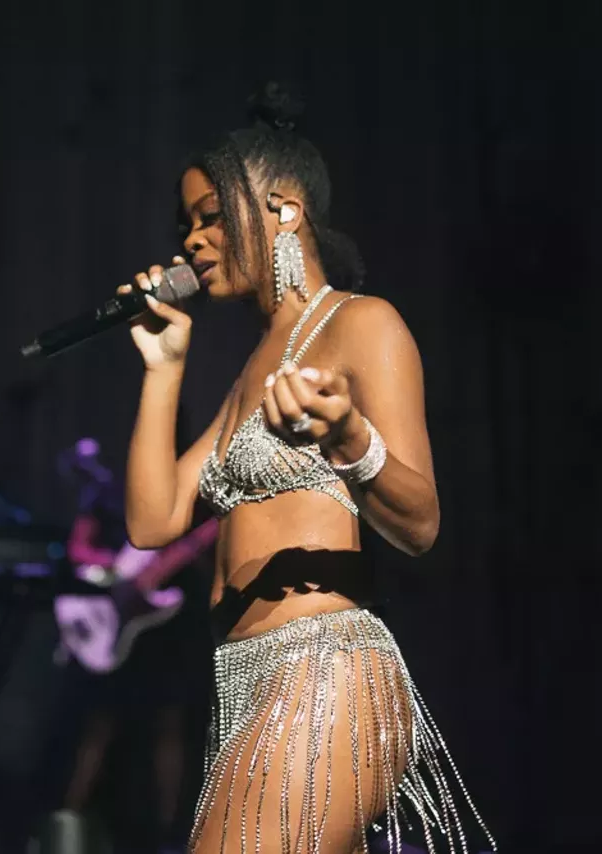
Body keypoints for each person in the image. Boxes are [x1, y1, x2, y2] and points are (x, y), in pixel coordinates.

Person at [116, 83, 495, 854]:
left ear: (284, 211)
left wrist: (350, 434)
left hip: (324, 669)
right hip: (246, 684)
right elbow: (153, 520)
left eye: (211, 216)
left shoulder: (363, 323)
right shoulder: (246, 374)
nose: (191, 241)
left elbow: (420, 523)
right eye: (186, 224)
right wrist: (164, 368)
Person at [52, 436, 217, 853]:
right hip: (117, 620)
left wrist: (182, 555)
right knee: (99, 726)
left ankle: (168, 833)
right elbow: (78, 548)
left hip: (165, 626)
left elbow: (195, 553)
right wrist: (119, 571)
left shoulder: (188, 503)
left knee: (169, 723)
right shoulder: (108, 497)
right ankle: (68, 821)